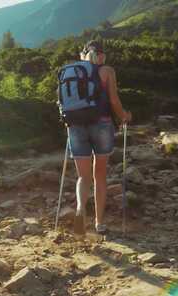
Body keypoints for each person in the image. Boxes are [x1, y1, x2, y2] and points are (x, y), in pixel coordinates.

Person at [70, 40, 132, 235]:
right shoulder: (107, 71)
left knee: (83, 176)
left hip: (76, 126)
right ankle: (99, 223)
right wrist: (124, 116)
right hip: (102, 125)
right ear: (102, 55)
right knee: (100, 176)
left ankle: (80, 210)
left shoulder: (73, 70)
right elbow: (114, 100)